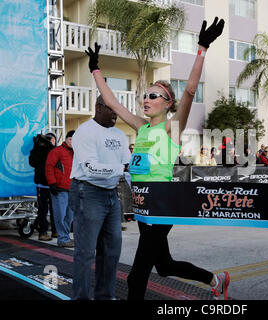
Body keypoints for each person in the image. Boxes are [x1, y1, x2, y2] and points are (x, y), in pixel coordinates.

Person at [85, 17, 229, 300]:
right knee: (163, 265)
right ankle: (216, 280)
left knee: (137, 275)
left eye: (153, 95)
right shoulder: (141, 126)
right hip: (142, 204)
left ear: (168, 103)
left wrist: (202, 48)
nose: (146, 99)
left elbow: (189, 90)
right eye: (144, 95)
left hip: (162, 203)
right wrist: (95, 70)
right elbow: (112, 102)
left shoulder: (172, 128)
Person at [68, 95, 132, 300]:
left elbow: (129, 166)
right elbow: (90, 168)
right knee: (86, 253)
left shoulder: (120, 134)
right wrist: (122, 169)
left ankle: (105, 296)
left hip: (111, 194)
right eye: (111, 108)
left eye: (117, 109)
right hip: (87, 192)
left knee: (112, 250)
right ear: (98, 107)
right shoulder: (85, 132)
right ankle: (82, 298)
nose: (116, 113)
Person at [45, 130, 75, 247]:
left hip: (72, 189)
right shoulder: (56, 151)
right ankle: (62, 239)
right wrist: (52, 183)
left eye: (74, 140)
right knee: (60, 215)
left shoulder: (76, 153)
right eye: (70, 139)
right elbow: (49, 167)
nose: (72, 142)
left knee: (69, 216)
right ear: (66, 139)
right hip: (59, 189)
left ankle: (65, 237)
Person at [28, 132, 57, 241]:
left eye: (54, 139)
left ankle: (55, 231)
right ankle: (43, 232)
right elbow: (33, 162)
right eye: (49, 139)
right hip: (42, 185)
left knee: (56, 210)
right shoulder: (40, 150)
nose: (52, 141)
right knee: (43, 210)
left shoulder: (56, 151)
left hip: (54, 185)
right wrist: (37, 147)